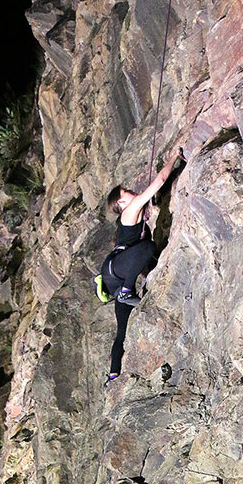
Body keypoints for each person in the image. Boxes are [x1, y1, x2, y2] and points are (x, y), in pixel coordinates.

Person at [102, 147, 184, 383]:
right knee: (148, 247)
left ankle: (114, 373)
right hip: (118, 270)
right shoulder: (130, 209)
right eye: (125, 191)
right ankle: (128, 290)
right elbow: (159, 181)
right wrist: (174, 158)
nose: (130, 191)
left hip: (115, 273)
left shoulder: (129, 216)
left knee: (121, 330)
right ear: (121, 201)